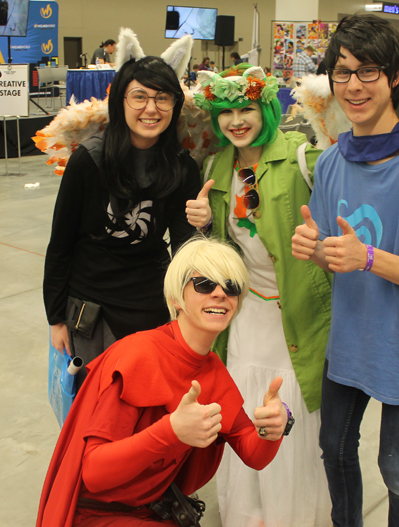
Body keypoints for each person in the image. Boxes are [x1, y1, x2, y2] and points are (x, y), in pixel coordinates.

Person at [292, 14, 399, 527]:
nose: (354, 86)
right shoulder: (332, 161)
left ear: (392, 78)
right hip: (350, 343)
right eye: (342, 73)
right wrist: (313, 247)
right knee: (335, 450)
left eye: (368, 71)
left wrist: (367, 256)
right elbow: (331, 251)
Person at [36, 237, 290, 527]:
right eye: (204, 284)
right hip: (97, 515)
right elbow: (94, 473)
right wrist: (171, 432)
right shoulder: (139, 357)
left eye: (231, 287)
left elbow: (253, 453)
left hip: (152, 512)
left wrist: (272, 429)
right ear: (175, 299)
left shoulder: (214, 372)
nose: (220, 293)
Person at [190, 64, 332, 527]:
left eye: (246, 108)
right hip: (245, 315)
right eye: (226, 111)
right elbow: (227, 251)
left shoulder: (302, 158)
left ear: (266, 107)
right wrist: (203, 223)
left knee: (288, 417)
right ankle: (248, 516)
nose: (236, 120)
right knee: (243, 412)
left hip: (297, 317)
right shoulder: (218, 166)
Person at [44, 41, 200, 390]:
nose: (151, 108)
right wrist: (56, 319)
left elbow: (185, 246)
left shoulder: (181, 167)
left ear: (174, 105)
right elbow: (61, 244)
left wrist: (200, 223)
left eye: (162, 98)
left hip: (151, 305)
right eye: (140, 96)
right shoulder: (89, 160)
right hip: (91, 310)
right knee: (96, 413)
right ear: (121, 101)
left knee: (144, 412)